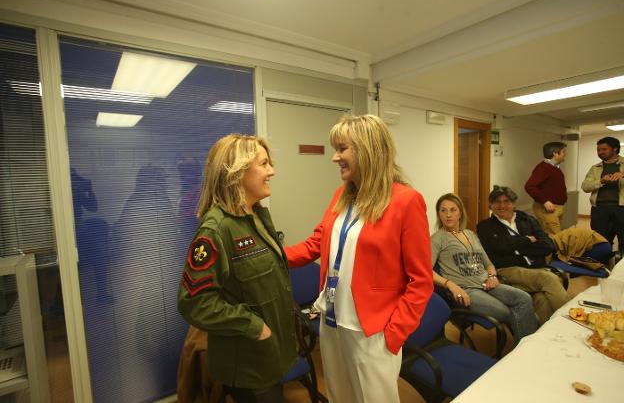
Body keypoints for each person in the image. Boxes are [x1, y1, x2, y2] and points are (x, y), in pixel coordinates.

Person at [285, 114, 433, 403]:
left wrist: (394, 333)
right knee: (341, 396)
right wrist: (269, 253)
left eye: (342, 149)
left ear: (367, 150)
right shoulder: (341, 195)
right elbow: (317, 243)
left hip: (373, 330)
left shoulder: (406, 201)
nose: (335, 157)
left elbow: (421, 280)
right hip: (331, 322)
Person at [177, 134, 297, 403]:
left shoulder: (256, 215)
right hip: (249, 363)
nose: (272, 171)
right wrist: (254, 326)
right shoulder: (216, 229)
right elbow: (194, 302)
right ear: (237, 172)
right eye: (264, 164)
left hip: (271, 355)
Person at [431, 193, 538, 342]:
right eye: (443, 210)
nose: (448, 215)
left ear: (460, 213)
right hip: (467, 290)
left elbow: (488, 264)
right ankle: (527, 350)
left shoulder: (470, 234)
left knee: (524, 298)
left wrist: (492, 277)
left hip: (487, 284)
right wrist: (452, 286)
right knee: (509, 312)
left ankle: (527, 346)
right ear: (438, 214)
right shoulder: (437, 238)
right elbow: (426, 271)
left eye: (453, 210)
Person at [476, 186, 567, 324]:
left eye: (506, 201)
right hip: (508, 269)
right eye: (497, 202)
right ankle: (570, 321)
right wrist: (527, 240)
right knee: (548, 279)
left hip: (535, 269)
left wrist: (517, 249)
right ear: (491, 205)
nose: (502, 205)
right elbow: (497, 248)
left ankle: (535, 340)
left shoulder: (527, 219)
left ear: (514, 203)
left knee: (541, 299)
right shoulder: (485, 226)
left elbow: (548, 246)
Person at [581, 136, 624, 256]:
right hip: (599, 210)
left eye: (604, 149)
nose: (600, 152)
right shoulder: (595, 168)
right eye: (598, 150)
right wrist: (601, 181)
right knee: (599, 242)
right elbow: (585, 187)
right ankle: (602, 268)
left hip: (621, 208)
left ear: (614, 149)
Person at [524, 142, 567, 235]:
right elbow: (529, 186)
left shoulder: (555, 168)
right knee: (555, 238)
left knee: (556, 237)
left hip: (556, 208)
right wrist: (545, 201)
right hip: (546, 209)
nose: (565, 154)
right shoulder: (543, 168)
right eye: (563, 152)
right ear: (555, 153)